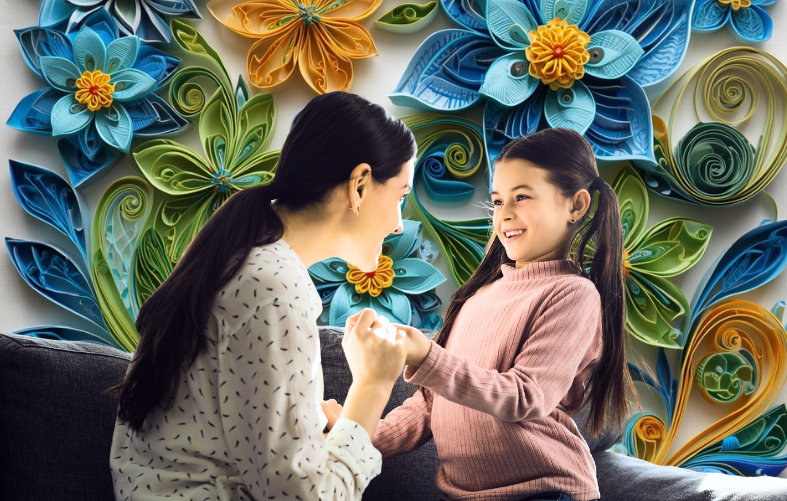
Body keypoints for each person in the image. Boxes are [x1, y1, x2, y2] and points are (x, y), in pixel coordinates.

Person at [105, 91, 421, 501]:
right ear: (359, 184)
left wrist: (324, 432)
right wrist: (374, 384)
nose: (399, 224)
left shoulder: (246, 263)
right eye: (400, 196)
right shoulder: (273, 287)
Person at [371, 127, 645, 501]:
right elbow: (430, 402)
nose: (506, 214)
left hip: (544, 492)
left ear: (576, 206)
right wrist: (360, 436)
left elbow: (526, 396)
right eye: (499, 202)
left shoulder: (572, 294)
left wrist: (428, 357)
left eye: (522, 197)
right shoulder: (479, 296)